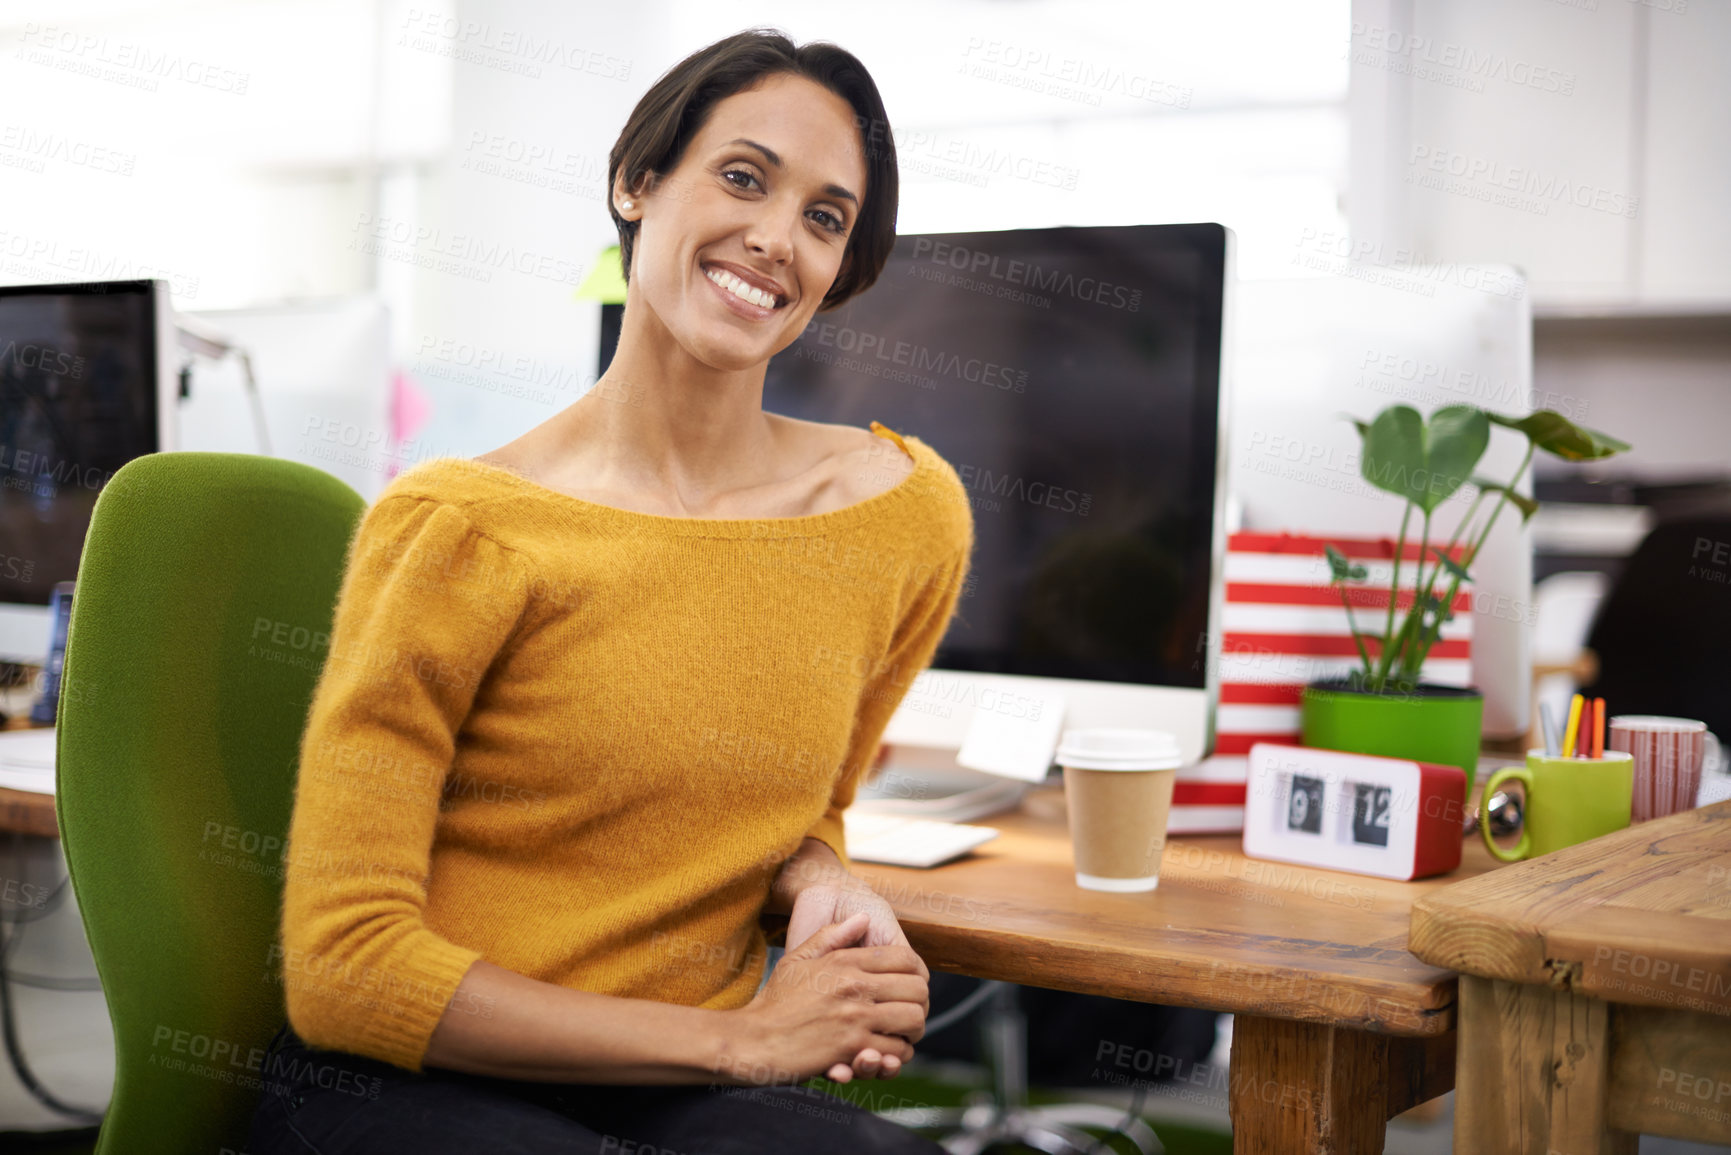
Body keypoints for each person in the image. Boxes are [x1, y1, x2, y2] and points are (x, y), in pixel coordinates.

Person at [246, 27, 974, 1155]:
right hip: (409, 1076)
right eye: (744, 177)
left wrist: (830, 881)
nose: (776, 238)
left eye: (825, 218)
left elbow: (794, 810)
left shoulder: (899, 518)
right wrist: (748, 1041)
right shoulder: (460, 528)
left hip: (669, 1088)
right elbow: (345, 970)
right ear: (638, 184)